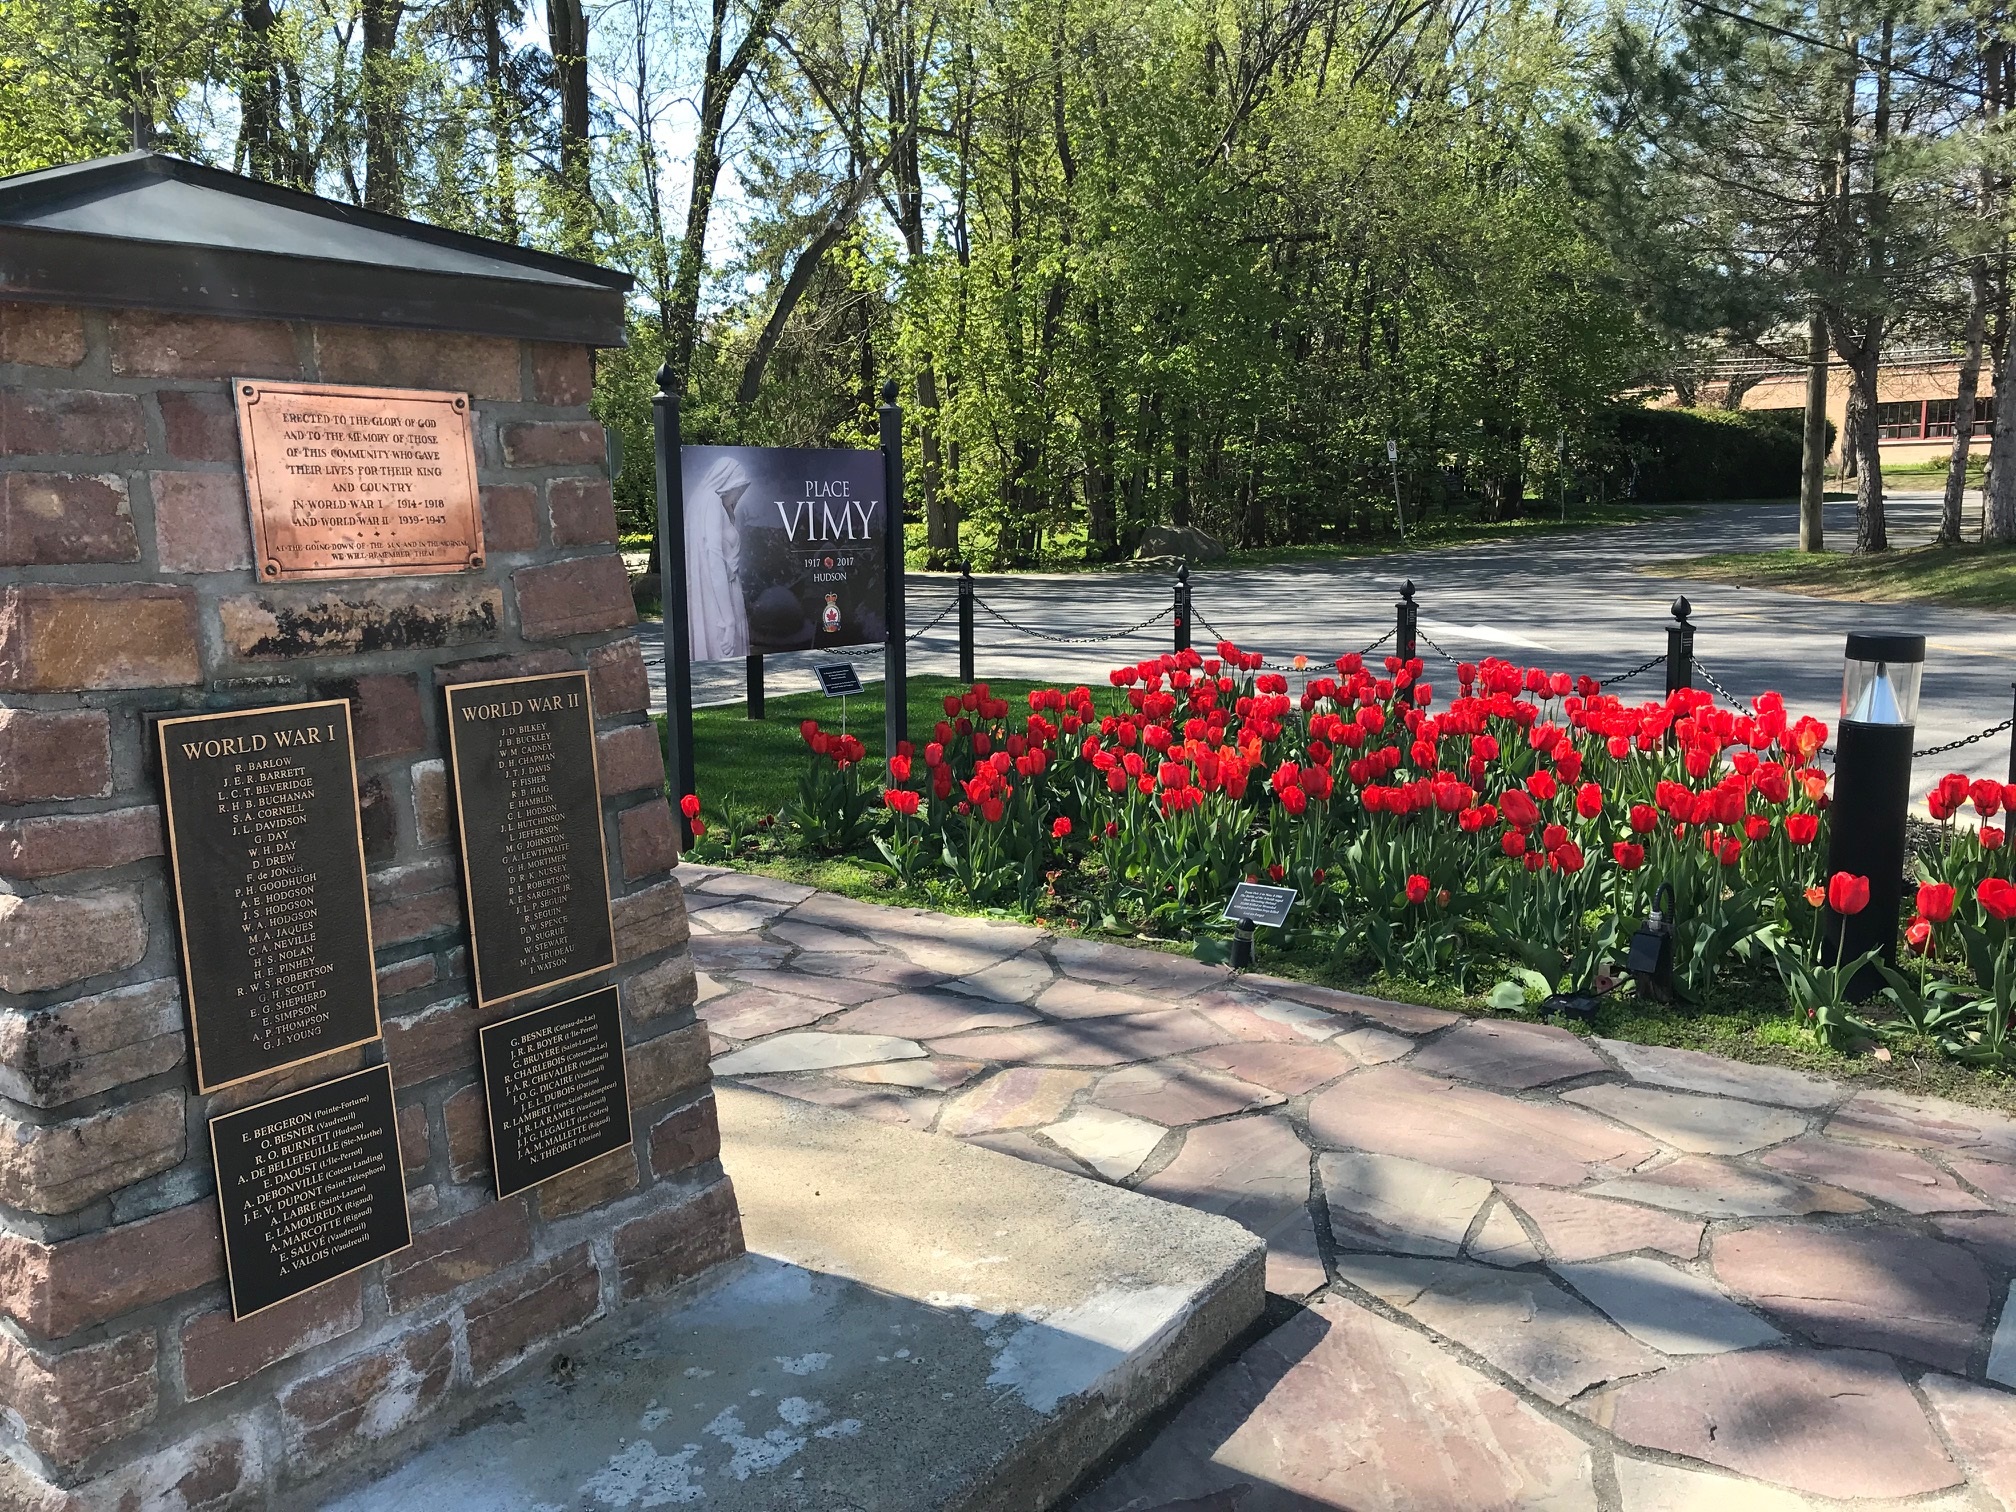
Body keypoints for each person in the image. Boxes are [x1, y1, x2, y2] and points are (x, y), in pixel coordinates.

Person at [685, 454, 750, 660]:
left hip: (711, 594)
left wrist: (729, 513)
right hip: (723, 598)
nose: (739, 495)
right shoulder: (712, 500)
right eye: (738, 489)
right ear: (727, 481)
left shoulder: (699, 500)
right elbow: (714, 560)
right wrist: (729, 621)